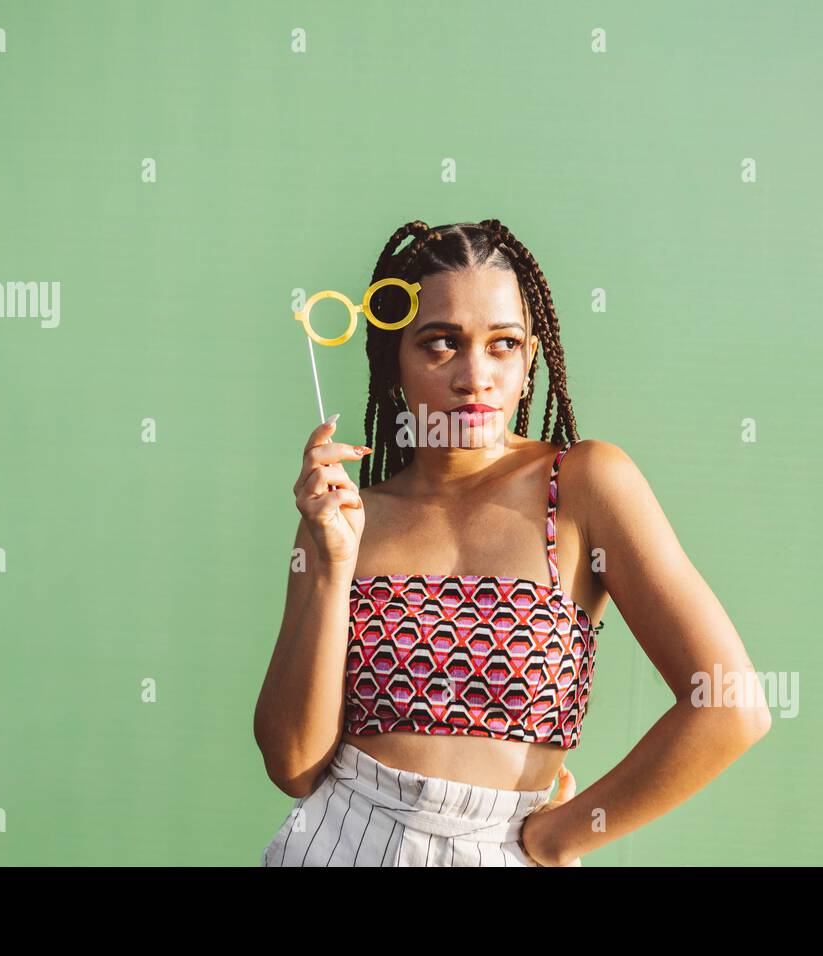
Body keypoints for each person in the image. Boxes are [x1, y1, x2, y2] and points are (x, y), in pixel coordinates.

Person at [254, 219, 770, 866]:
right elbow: (293, 766)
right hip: (339, 843)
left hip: (503, 847)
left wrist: (560, 837)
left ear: (529, 363)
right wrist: (330, 563)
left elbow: (729, 705)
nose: (476, 376)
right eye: (441, 344)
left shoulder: (583, 486)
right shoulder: (350, 517)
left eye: (503, 344)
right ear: (394, 363)